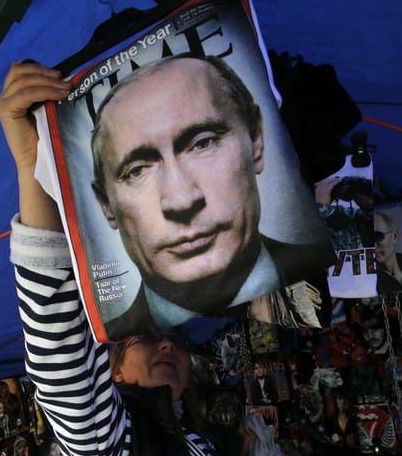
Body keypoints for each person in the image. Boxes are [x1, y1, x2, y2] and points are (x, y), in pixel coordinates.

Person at [0, 60, 264, 456]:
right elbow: (58, 350)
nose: (166, 344)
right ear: (110, 373)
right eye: (142, 338)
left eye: (203, 142)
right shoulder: (108, 450)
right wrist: (33, 167)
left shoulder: (195, 438)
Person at [87, 54, 331, 338]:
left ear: (256, 139)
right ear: (106, 204)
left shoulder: (328, 268)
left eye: (203, 144)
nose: (181, 201)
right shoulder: (116, 338)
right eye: (137, 170)